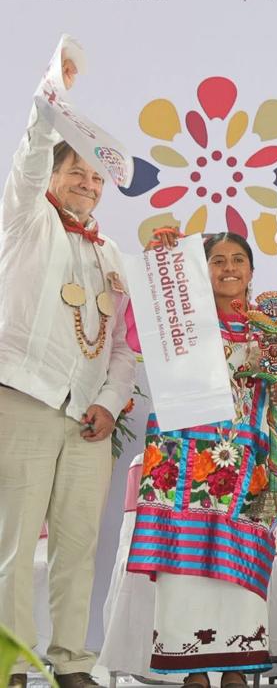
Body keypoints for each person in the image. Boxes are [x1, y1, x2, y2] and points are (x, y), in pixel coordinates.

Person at [0, 47, 135, 688]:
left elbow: (124, 348)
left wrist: (110, 400)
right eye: (76, 171)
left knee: (79, 546)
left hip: (87, 416)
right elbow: (29, 156)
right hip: (22, 398)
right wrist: (51, 98)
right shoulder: (25, 219)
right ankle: (12, 662)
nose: (87, 182)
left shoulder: (111, 252)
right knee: (13, 546)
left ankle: (73, 663)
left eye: (96, 177)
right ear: (53, 176)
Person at [125, 232, 277, 682]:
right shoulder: (182, 321)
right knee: (183, 562)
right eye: (217, 260)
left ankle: (236, 668)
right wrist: (159, 263)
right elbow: (135, 335)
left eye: (239, 260)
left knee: (239, 561)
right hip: (183, 461)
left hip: (250, 466)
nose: (229, 268)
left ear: (251, 270)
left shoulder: (272, 323)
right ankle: (193, 671)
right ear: (200, 269)